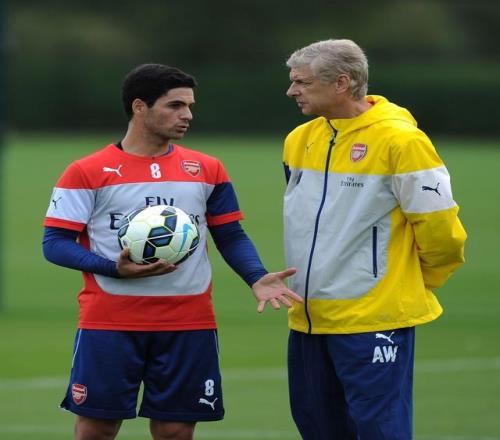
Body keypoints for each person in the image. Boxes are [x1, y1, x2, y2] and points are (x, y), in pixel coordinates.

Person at [43, 63, 302, 440]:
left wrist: (256, 276)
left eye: (189, 106)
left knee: (176, 430)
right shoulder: (87, 172)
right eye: (175, 105)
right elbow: (55, 243)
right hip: (109, 322)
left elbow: (230, 234)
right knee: (97, 428)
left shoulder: (208, 169)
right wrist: (113, 268)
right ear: (139, 107)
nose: (187, 115)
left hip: (189, 321)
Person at [282, 39, 466, 439]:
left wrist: (410, 282)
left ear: (341, 83)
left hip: (374, 319)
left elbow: (441, 230)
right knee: (318, 428)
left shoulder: (403, 141)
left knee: (379, 430)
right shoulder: (298, 139)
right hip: (308, 319)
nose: (291, 91)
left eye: (302, 82)